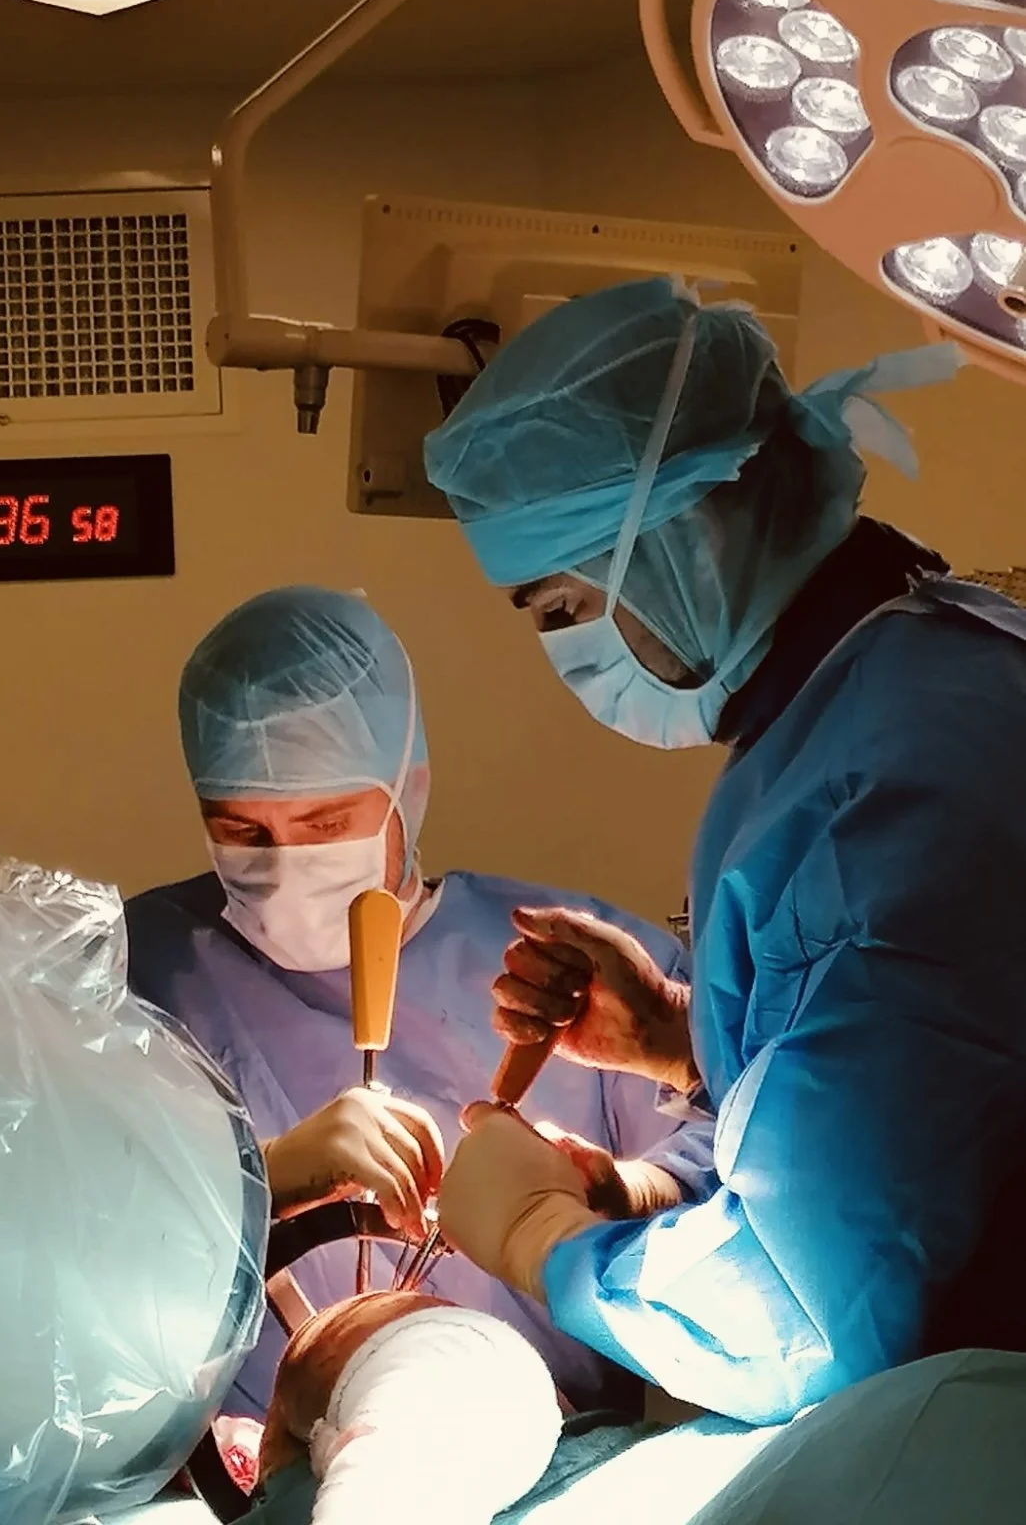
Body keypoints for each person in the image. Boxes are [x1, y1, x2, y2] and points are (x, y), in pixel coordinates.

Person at [424, 276, 1026, 1426]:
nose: (565, 654)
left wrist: (538, 1236)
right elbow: (944, 1086)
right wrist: (676, 1036)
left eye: (559, 609)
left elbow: (802, 1318)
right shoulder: (912, 665)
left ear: (687, 532)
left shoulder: (894, 785)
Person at [125, 585, 717, 1420]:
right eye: (243, 832)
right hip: (252, 1465)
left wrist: (617, 1191)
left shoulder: (564, 965)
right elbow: (59, 1238)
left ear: (409, 789)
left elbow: (757, 1173)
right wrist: (258, 1179)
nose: (286, 863)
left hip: (554, 1454)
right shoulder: (140, 973)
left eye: (326, 823)